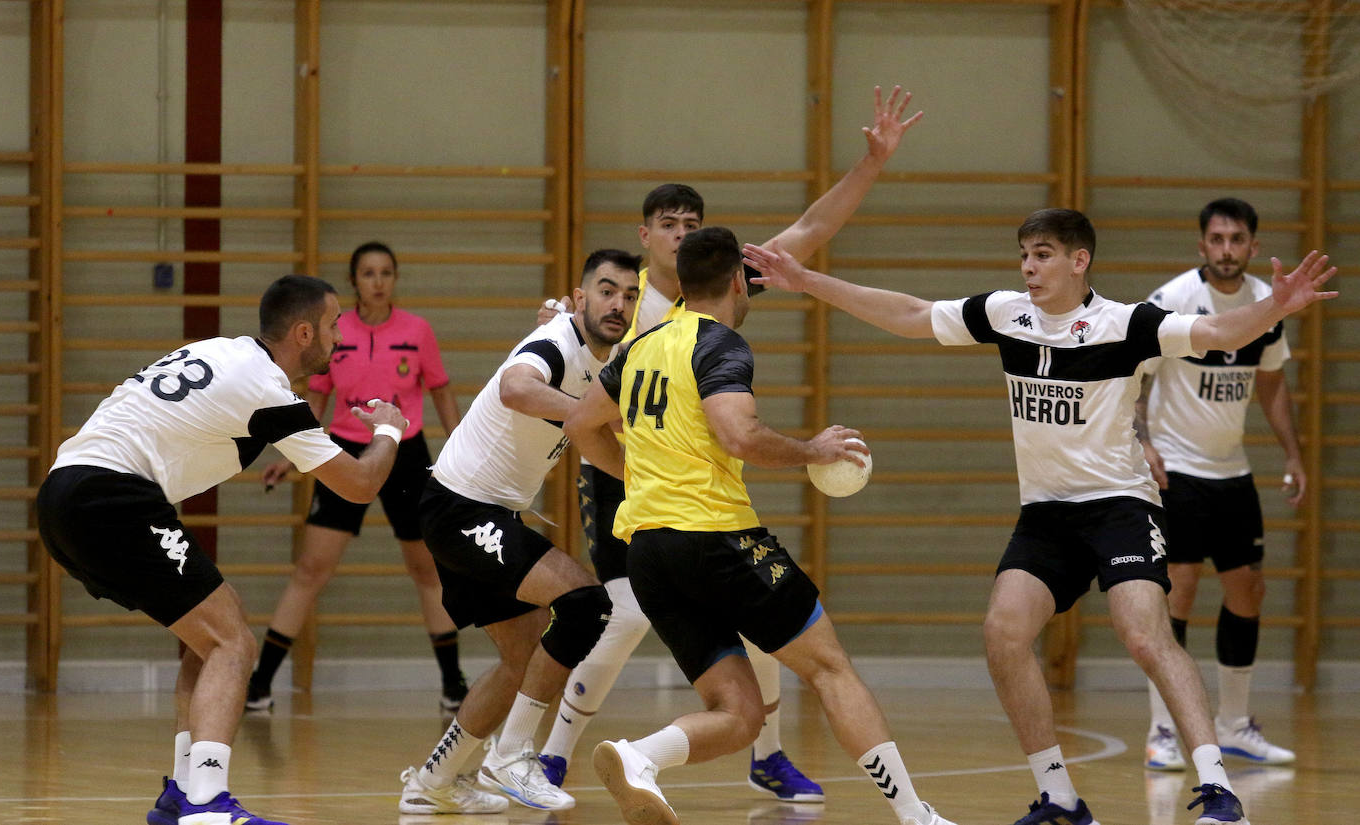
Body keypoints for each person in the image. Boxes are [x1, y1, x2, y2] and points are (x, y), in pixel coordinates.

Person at [741, 208, 1336, 825]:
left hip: (1120, 507)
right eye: (1025, 254)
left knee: (1144, 633)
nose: (1029, 266)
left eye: (1044, 253)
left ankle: (1218, 791)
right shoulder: (1007, 314)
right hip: (1047, 515)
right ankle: (1060, 798)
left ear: (1079, 262)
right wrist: (807, 281)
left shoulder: (1128, 324)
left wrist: (1274, 309)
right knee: (1003, 632)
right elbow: (912, 314)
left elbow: (1216, 332)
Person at [535, 85, 924, 803]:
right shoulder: (620, 302)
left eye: (692, 222)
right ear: (645, 235)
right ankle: (549, 756)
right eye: (668, 223)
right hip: (646, 488)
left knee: (754, 646)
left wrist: (870, 165)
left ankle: (741, 753)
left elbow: (807, 233)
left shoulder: (708, 285)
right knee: (626, 619)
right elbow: (570, 397)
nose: (681, 233)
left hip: (666, 502)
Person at [565, 227, 958, 825]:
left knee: (739, 713)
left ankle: (637, 756)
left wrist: (641, 474)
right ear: (731, 283)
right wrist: (815, 450)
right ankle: (916, 815)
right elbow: (740, 435)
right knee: (829, 668)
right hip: (716, 540)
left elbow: (582, 426)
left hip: (649, 554)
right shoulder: (720, 344)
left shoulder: (638, 348)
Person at [36, 275, 409, 825]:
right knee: (232, 642)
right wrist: (390, 432)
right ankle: (206, 803)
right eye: (333, 326)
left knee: (209, 632)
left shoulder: (220, 352)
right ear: (304, 332)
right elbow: (358, 485)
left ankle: (183, 792)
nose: (340, 336)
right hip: (110, 496)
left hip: (63, 493)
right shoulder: (268, 389)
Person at [395, 249, 641, 815]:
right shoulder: (555, 343)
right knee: (585, 603)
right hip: (462, 509)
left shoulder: (603, 363)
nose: (619, 304)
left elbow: (599, 445)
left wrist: (641, 479)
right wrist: (584, 414)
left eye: (628, 295)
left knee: (522, 655)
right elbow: (515, 387)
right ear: (579, 298)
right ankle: (512, 755)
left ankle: (433, 781)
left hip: (483, 512)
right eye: (606, 290)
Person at [249, 242, 468, 713]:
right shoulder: (335, 331)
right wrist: (291, 456)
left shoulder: (417, 330)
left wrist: (460, 446)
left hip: (404, 452)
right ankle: (260, 684)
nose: (378, 281)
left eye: (386, 272)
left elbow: (442, 393)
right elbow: (316, 400)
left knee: (426, 569)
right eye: (368, 273)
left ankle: (454, 685)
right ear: (354, 281)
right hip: (344, 448)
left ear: (395, 278)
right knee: (311, 569)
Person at [1136, 199, 1300, 771]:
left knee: (1247, 591)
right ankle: (1162, 730)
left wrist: (1293, 455)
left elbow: (1273, 383)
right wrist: (1144, 443)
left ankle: (1234, 725)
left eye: (1237, 239)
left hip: (1233, 472)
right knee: (1177, 591)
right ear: (1201, 246)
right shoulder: (1174, 301)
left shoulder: (1266, 302)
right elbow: (1134, 374)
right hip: (1178, 472)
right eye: (1217, 239)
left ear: (1253, 246)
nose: (1226, 249)